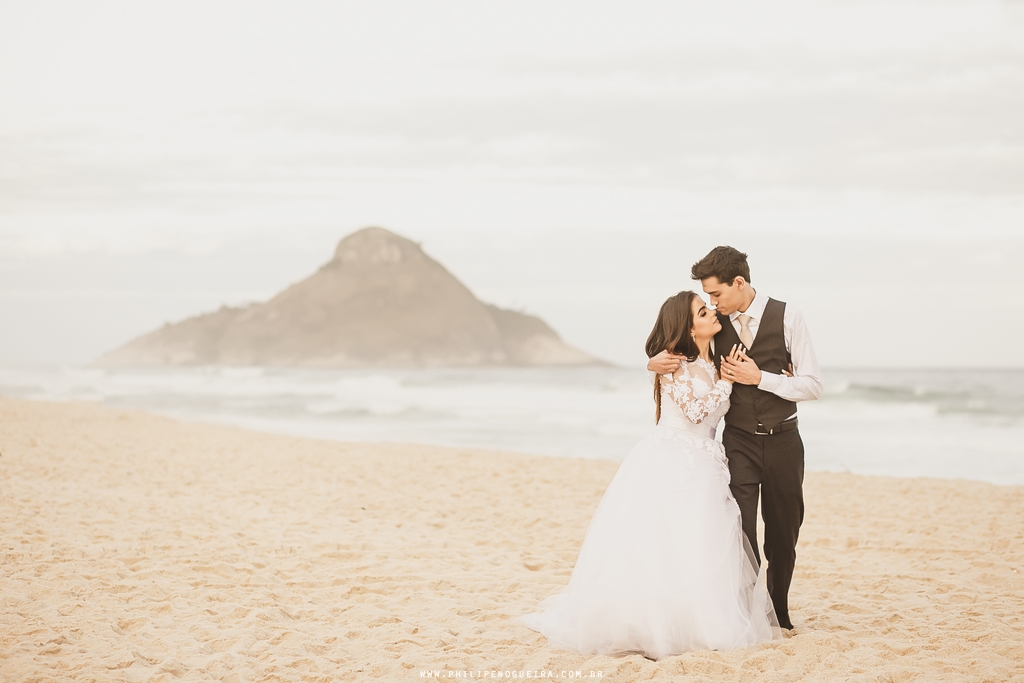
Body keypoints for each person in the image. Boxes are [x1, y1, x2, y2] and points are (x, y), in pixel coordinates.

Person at [518, 291, 781, 660]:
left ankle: (697, 621)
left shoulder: (714, 361)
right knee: (660, 541)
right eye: (702, 312)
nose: (711, 313)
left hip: (707, 460)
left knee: (699, 540)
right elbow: (694, 412)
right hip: (671, 457)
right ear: (690, 328)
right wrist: (726, 382)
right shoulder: (674, 365)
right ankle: (649, 623)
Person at [648, 246, 823, 630]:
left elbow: (812, 385)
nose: (712, 303)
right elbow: (681, 354)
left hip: (784, 440)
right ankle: (745, 611)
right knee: (738, 530)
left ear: (739, 282)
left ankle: (778, 611)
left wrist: (761, 378)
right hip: (738, 442)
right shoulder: (714, 324)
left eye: (716, 293)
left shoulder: (789, 317)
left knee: (783, 533)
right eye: (707, 297)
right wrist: (651, 362)